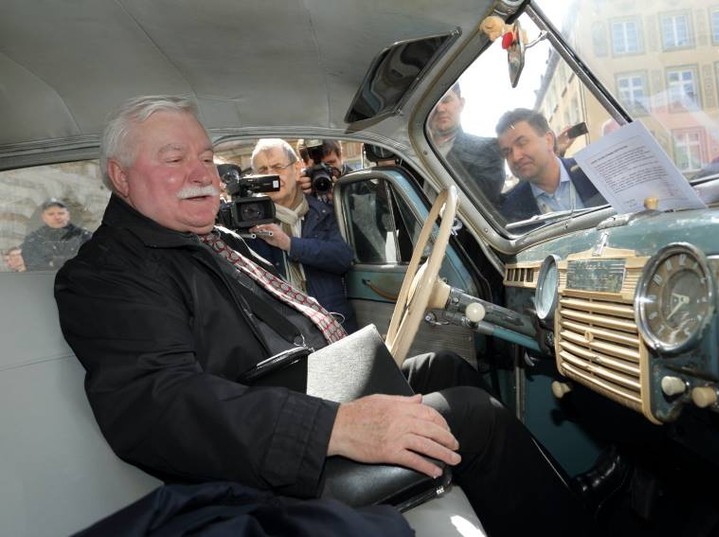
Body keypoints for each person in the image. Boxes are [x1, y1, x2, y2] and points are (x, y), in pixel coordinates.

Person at [54, 95, 589, 537]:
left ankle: (543, 496)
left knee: (446, 368)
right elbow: (158, 406)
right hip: (265, 467)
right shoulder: (107, 273)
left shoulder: (208, 239)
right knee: (474, 415)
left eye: (207, 156)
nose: (204, 174)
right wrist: (335, 426)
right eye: (175, 160)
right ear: (120, 178)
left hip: (296, 396)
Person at [246, 138, 358, 333]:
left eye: (278, 167)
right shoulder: (248, 223)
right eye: (263, 171)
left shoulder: (324, 210)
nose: (271, 176)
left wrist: (289, 244)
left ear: (297, 169)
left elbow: (343, 258)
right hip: (283, 333)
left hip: (332, 323)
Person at [496, 108, 605, 222]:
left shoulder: (594, 170)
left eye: (522, 143)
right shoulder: (510, 210)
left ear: (548, 140)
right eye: (507, 152)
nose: (516, 157)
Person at [428, 83, 506, 205]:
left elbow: (482, 200)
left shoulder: (488, 149)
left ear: (461, 103)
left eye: (446, 100)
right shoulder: (405, 153)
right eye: (432, 103)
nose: (440, 108)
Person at [20, 198, 92, 271]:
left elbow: (89, 261)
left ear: (68, 215)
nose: (57, 217)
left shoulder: (84, 237)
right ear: (43, 217)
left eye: (61, 213)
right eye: (51, 214)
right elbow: (33, 265)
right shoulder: (33, 239)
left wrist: (54, 261)